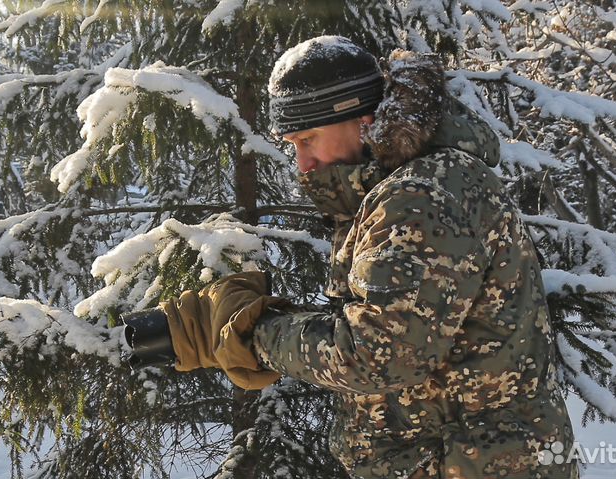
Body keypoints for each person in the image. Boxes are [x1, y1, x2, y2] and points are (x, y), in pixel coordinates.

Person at [124, 36, 579, 479]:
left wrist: (252, 334)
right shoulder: (421, 182)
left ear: (362, 122)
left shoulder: (417, 197)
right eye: (293, 145)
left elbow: (378, 354)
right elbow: (398, 326)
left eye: (308, 139)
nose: (302, 164)